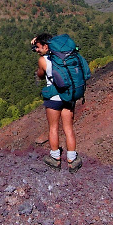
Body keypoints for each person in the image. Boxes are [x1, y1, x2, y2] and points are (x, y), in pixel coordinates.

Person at [32, 33, 82, 173]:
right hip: (68, 96)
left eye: (37, 47)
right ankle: (72, 160)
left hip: (54, 99)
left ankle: (55, 158)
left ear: (46, 46)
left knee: (53, 128)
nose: (36, 50)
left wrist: (40, 59)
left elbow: (40, 75)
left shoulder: (43, 60)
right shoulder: (67, 56)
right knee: (68, 128)